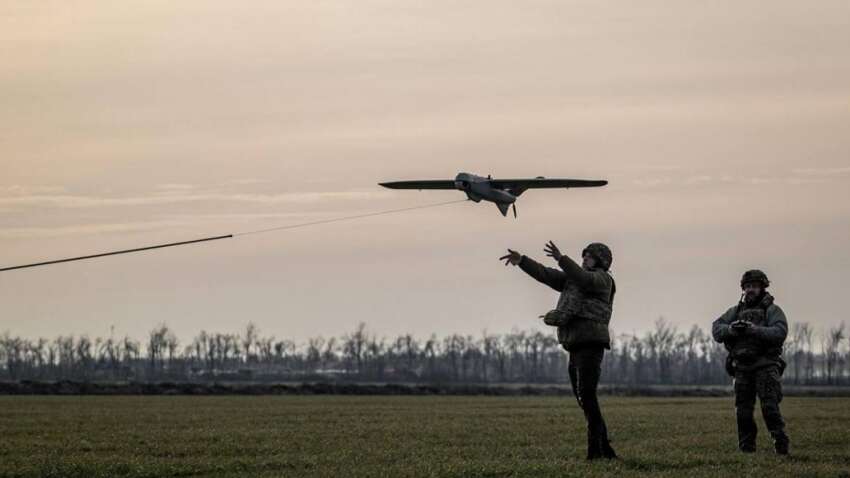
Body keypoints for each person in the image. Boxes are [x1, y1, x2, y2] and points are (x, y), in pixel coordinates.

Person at [500, 241, 617, 460]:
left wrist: (561, 258)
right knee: (584, 399)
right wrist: (522, 261)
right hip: (574, 345)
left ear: (601, 261)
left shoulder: (602, 280)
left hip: (591, 345)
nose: (584, 258)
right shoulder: (573, 279)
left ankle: (596, 453)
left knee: (587, 396)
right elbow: (546, 274)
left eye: (590, 256)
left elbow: (584, 279)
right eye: (584, 255)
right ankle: (605, 451)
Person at [712, 269, 790, 455]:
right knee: (743, 412)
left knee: (770, 409)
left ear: (762, 287)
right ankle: (746, 450)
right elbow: (716, 329)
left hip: (766, 366)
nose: (750, 290)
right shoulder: (736, 311)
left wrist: (755, 330)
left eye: (754, 286)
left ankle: (781, 446)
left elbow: (780, 332)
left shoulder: (772, 310)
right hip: (742, 368)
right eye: (747, 286)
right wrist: (731, 329)